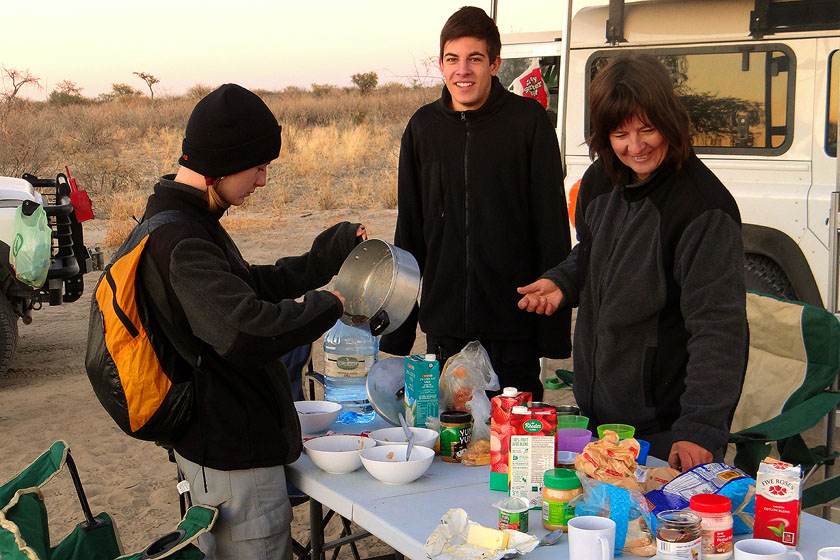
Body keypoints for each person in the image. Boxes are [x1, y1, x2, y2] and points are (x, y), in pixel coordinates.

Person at [136, 83, 365, 559]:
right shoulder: (182, 240)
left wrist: (325, 255)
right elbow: (245, 330)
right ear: (221, 164)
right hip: (230, 459)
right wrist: (331, 303)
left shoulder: (184, 220)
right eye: (258, 167)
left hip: (221, 450)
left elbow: (245, 288)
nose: (262, 181)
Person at [517, 53, 748, 470]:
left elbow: (719, 329)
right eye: (621, 134)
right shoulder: (599, 180)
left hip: (663, 428)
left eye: (648, 129)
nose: (636, 147)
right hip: (601, 419)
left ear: (671, 121)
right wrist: (564, 281)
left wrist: (699, 428)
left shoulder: (703, 209)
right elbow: (592, 251)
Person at [379, 6, 571, 400]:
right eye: (453, 59)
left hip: (514, 325)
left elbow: (551, 227)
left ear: (495, 63)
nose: (462, 70)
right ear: (441, 64)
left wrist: (551, 337)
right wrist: (398, 337)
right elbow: (410, 231)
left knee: (512, 450)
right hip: (445, 327)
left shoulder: (528, 123)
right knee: (452, 447)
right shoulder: (422, 128)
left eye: (474, 59)